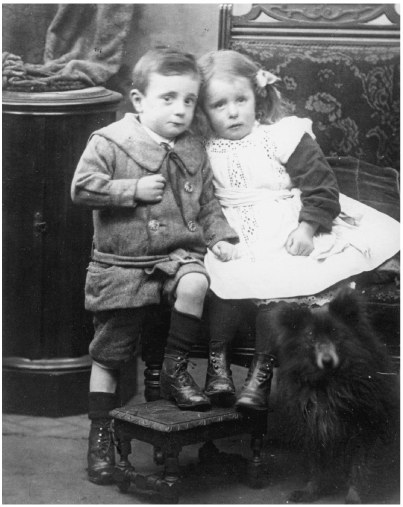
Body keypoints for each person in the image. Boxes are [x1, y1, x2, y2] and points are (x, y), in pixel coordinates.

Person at [195, 49, 400, 410]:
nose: (233, 112)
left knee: (280, 287)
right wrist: (217, 237)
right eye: (219, 104)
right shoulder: (202, 149)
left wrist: (307, 228)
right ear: (203, 110)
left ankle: (260, 375)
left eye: (241, 100)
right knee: (224, 281)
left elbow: (321, 185)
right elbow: (202, 200)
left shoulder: (282, 135)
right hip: (232, 232)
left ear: (256, 98)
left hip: (284, 225)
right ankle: (218, 371)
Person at [71, 47, 239, 485]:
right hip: (122, 265)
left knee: (196, 282)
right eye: (168, 98)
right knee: (108, 356)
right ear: (138, 100)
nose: (181, 109)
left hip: (175, 259)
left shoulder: (194, 149)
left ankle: (175, 369)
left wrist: (220, 238)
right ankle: (101, 436)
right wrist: (131, 189)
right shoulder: (109, 141)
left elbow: (208, 205)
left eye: (189, 100)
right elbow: (82, 189)